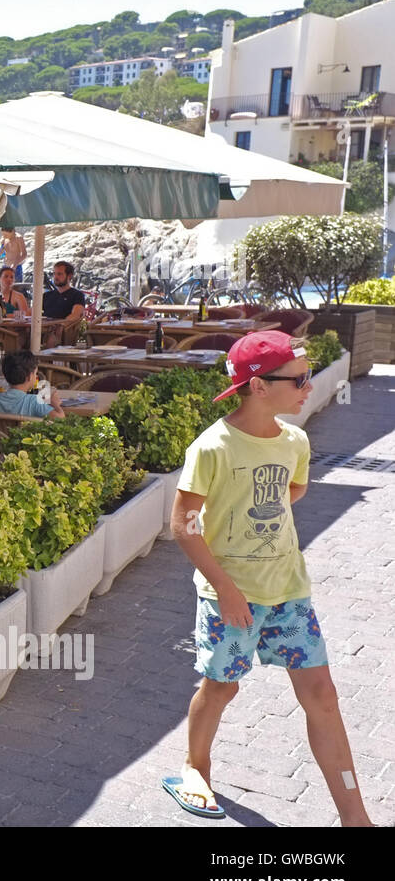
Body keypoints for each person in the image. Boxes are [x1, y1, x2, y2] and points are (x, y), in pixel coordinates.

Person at [166, 332, 371, 825]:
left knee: (323, 696)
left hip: (289, 590)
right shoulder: (212, 447)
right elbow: (183, 523)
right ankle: (195, 767)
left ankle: (355, 818)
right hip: (230, 596)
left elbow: (291, 490)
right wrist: (227, 587)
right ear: (257, 386)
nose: (308, 386)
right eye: (298, 379)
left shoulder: (294, 440)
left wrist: (259, 520)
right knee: (221, 688)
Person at [0, 350, 63, 418]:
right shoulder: (33, 401)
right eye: (35, 373)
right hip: (23, 441)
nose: (36, 376)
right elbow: (60, 418)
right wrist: (55, 404)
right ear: (29, 377)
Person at [43, 260, 86, 326]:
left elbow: (75, 315)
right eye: (54, 273)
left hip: (62, 332)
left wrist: (59, 326)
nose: (56, 277)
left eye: (59, 274)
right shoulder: (46, 295)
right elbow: (31, 312)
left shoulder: (77, 295)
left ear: (69, 276)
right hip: (42, 329)